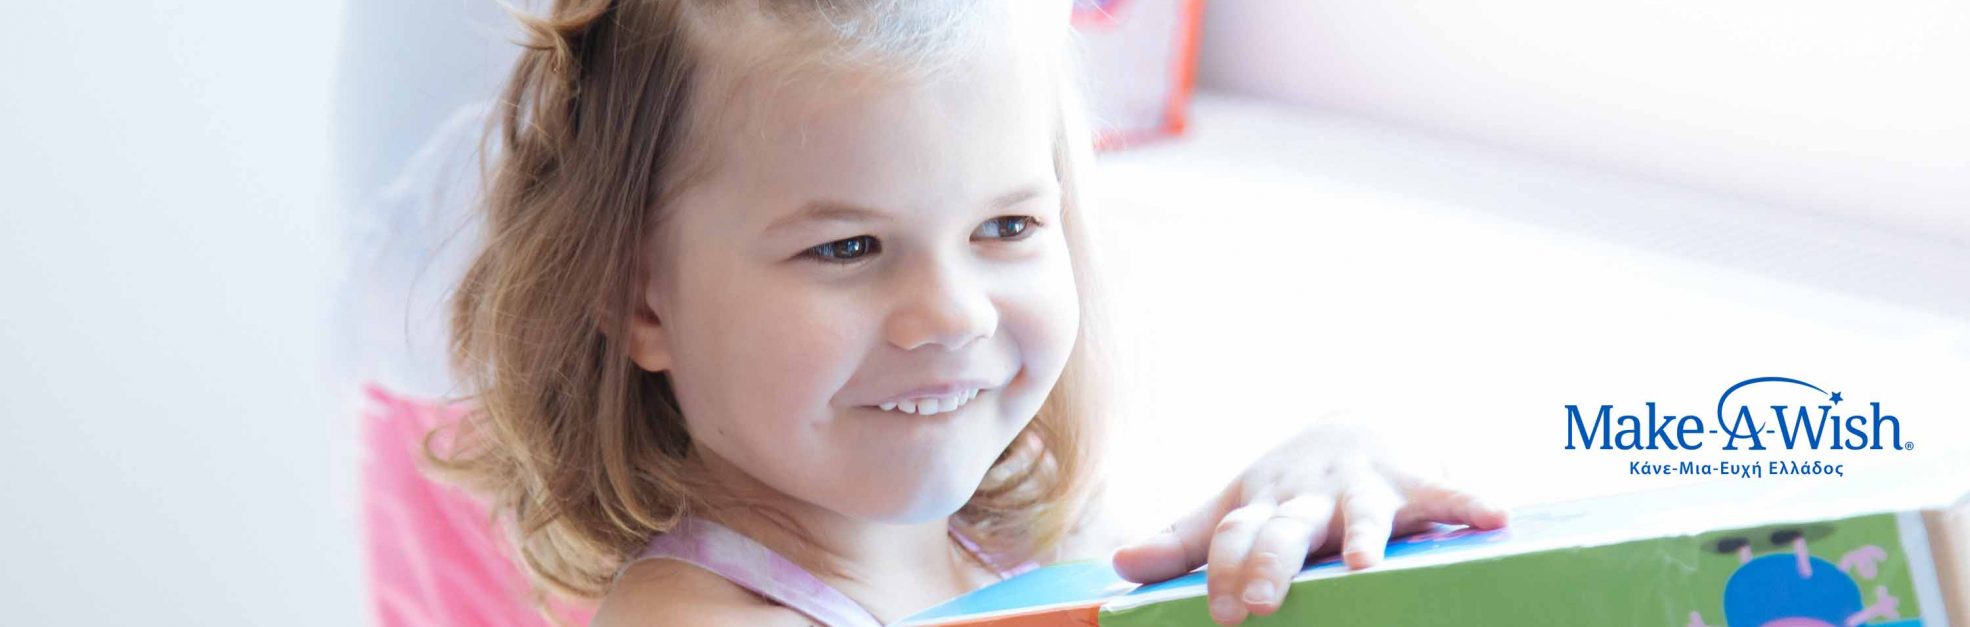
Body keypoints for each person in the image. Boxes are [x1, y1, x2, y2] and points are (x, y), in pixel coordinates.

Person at [428, 1, 1509, 625]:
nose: (950, 314)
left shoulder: (1027, 536)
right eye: (846, 247)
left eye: (1006, 227)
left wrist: (1301, 504)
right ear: (638, 299)